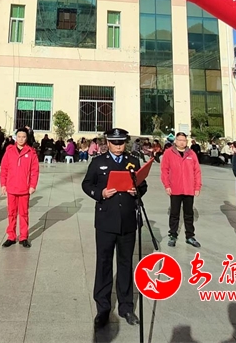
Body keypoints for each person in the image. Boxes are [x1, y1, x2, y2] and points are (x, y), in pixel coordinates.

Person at [82, 128, 147, 329]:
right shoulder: (98, 162)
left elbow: (143, 185)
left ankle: (126, 307)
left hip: (127, 220)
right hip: (106, 220)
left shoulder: (132, 161)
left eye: (122, 143)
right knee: (104, 263)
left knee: (126, 263)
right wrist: (100, 193)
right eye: (115, 143)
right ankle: (103, 309)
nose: (119, 147)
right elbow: (87, 184)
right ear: (108, 143)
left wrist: (136, 191)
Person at [160, 132, 202, 248]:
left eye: (184, 140)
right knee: (174, 213)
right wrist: (167, 185)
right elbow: (164, 170)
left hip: (189, 188)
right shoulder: (169, 153)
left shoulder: (191, 154)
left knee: (189, 214)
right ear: (175, 141)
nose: (182, 142)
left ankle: (190, 236)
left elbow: (197, 171)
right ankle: (173, 235)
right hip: (175, 188)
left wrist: (197, 187)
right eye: (179, 140)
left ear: (186, 141)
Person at [0, 128, 40, 248]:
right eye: (19, 137)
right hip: (11, 187)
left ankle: (23, 237)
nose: (21, 139)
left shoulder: (31, 152)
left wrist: (32, 185)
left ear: (27, 138)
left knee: (23, 214)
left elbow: (35, 171)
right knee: (11, 213)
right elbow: (4, 169)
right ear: (15, 138)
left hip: (24, 189)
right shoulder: (9, 151)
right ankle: (11, 236)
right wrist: (3, 184)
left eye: (23, 137)